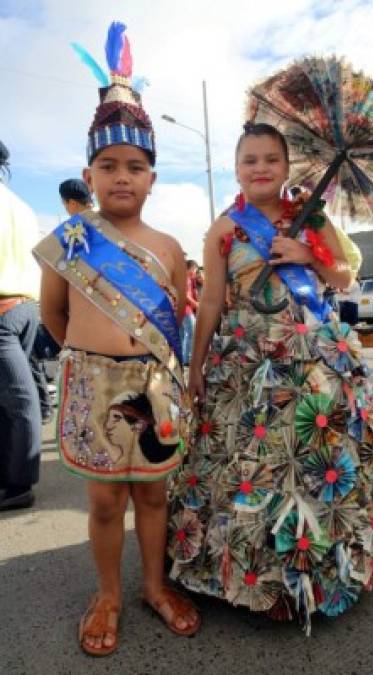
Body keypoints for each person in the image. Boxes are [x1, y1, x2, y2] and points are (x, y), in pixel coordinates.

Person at [168, 122, 373, 633]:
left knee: (315, 456)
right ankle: (249, 570)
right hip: (247, 362)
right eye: (250, 159)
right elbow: (210, 301)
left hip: (313, 358)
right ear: (237, 168)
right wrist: (196, 366)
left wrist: (308, 256)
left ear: (286, 166)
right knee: (253, 464)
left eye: (270, 159)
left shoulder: (310, 215)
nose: (260, 168)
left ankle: (322, 571)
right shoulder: (224, 229)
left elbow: (344, 275)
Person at [33, 22, 199, 656]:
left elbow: (176, 322)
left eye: (135, 166)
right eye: (108, 166)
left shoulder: (169, 247)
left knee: (153, 493)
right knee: (105, 503)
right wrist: (94, 361)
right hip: (92, 384)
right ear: (89, 172)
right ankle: (107, 593)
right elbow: (54, 317)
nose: (121, 177)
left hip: (154, 388)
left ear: (153, 177)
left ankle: (154, 586)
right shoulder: (70, 244)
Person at [0, 140, 42, 511]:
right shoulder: (22, 206)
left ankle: (18, 483)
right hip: (28, 306)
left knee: (17, 398)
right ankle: (10, 476)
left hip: (3, 309)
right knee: (12, 397)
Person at [179, 259, 199, 365]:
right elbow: (185, 295)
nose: (195, 273)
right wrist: (195, 304)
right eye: (194, 270)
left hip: (181, 310)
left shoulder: (187, 279)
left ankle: (182, 359)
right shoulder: (185, 279)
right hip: (186, 310)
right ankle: (187, 359)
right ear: (190, 268)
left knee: (183, 334)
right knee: (191, 333)